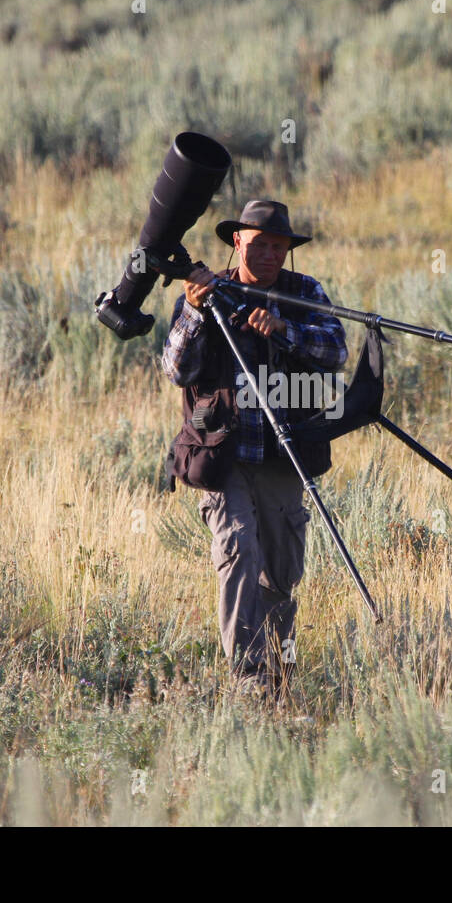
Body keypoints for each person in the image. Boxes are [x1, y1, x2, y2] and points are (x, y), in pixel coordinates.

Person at [161, 199, 348, 698]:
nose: (269, 254)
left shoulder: (304, 292)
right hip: (223, 454)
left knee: (282, 570)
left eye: (278, 246)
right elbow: (176, 368)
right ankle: (248, 681)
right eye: (259, 243)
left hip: (284, 453)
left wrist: (287, 330)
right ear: (237, 242)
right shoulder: (206, 291)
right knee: (239, 549)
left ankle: (279, 674)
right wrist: (197, 312)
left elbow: (336, 350)